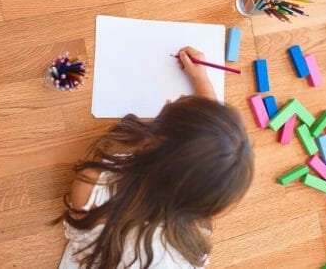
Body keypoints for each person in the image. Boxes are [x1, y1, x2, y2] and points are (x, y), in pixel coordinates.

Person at [57, 46, 254, 268]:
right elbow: (206, 151)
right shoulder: (195, 213)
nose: (176, 97)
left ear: (152, 141)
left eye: (173, 107)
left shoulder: (93, 184)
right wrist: (202, 81)